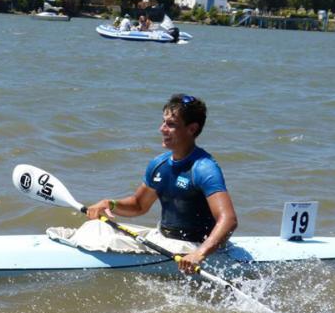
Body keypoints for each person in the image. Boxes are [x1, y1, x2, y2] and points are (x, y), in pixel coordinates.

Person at [85, 94, 238, 273]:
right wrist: (109, 204)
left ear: (192, 129)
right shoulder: (159, 164)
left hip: (191, 246)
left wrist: (199, 254)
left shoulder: (204, 168)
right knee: (95, 227)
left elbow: (228, 220)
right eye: (163, 122)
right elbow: (139, 205)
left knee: (103, 240)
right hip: (163, 237)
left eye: (171, 124)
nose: (162, 129)